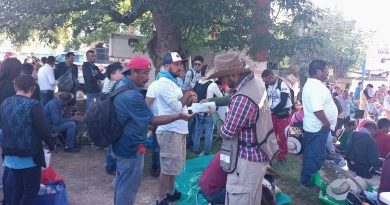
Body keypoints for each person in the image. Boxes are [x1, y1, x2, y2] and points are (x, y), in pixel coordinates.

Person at [111, 56, 194, 205]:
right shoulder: (132, 95)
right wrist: (179, 116)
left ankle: (168, 193)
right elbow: (152, 119)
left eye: (148, 73)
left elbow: (140, 115)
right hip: (130, 146)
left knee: (123, 180)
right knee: (129, 185)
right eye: (144, 73)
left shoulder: (122, 85)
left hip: (123, 141)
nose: (147, 77)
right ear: (133, 72)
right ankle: (161, 198)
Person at [207, 51, 273, 204]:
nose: (222, 81)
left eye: (222, 77)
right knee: (252, 199)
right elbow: (231, 98)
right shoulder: (256, 84)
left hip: (246, 163)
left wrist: (214, 114)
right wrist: (213, 101)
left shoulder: (242, 99)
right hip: (259, 154)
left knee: (239, 198)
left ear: (232, 75)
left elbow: (226, 133)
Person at [0, 74, 55, 205]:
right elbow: (43, 130)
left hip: (10, 154)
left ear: (15, 86)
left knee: (18, 188)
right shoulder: (33, 105)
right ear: (33, 87)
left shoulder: (5, 103)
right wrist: (51, 144)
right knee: (31, 190)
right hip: (29, 156)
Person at [155, 52, 197, 205]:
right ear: (167, 65)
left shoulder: (174, 82)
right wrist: (189, 94)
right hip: (169, 130)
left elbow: (183, 103)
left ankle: (171, 192)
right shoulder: (164, 82)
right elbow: (177, 107)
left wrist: (190, 96)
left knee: (174, 166)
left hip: (178, 129)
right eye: (177, 64)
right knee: (167, 167)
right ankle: (160, 198)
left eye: (181, 63)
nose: (180, 66)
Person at [301, 60, 338, 187]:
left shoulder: (312, 84)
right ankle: (307, 183)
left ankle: (307, 179)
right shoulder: (315, 86)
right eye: (326, 70)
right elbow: (317, 109)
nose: (327, 73)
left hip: (314, 127)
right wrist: (326, 122)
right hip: (318, 128)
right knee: (315, 156)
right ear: (318, 71)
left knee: (311, 154)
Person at [262, 69, 293, 161]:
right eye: (264, 81)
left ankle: (282, 156)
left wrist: (272, 111)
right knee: (272, 134)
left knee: (282, 136)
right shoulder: (268, 84)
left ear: (272, 77)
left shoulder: (282, 84)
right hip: (272, 114)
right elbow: (267, 98)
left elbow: (283, 102)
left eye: (267, 80)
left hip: (283, 114)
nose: (265, 82)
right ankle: (273, 153)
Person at [192, 65, 223, 155]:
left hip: (198, 111)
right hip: (209, 112)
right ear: (208, 72)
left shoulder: (197, 83)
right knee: (208, 134)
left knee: (198, 131)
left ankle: (195, 148)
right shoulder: (212, 84)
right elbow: (220, 97)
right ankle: (206, 152)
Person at [145, 80, 161, 177]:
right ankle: (156, 167)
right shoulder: (154, 85)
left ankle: (162, 168)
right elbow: (147, 104)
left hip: (168, 121)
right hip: (157, 120)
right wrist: (149, 121)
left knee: (162, 146)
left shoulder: (174, 84)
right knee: (156, 146)